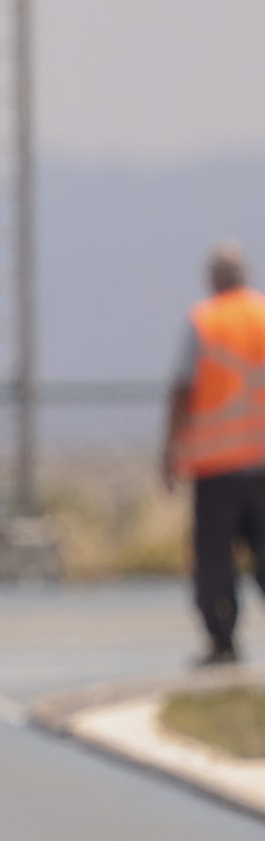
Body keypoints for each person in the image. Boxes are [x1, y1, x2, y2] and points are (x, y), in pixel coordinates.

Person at [163, 242, 265, 667]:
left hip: (217, 467)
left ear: (213, 279)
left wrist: (171, 450)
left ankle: (222, 642)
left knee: (215, 562)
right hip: (261, 463)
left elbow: (182, 389)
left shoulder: (204, 322)